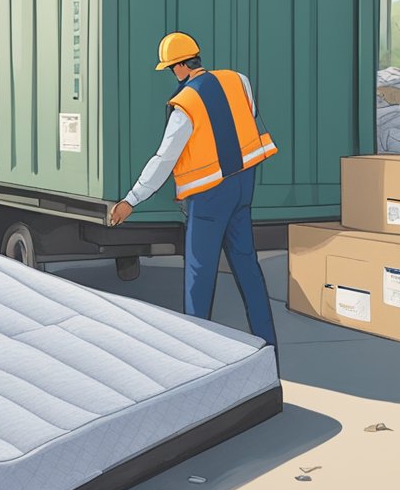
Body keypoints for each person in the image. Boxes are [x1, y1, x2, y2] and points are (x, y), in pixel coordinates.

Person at [109, 32, 279, 349]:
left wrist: (131, 201)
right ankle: (268, 345)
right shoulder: (237, 80)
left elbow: (164, 159)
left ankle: (199, 352)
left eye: (172, 68)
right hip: (243, 186)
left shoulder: (184, 106)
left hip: (209, 196)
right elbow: (249, 113)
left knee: (200, 276)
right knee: (248, 269)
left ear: (181, 66)